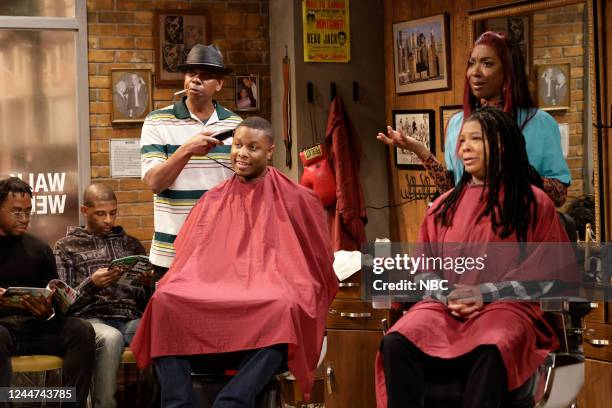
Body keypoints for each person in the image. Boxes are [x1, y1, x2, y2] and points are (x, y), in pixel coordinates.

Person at [375, 108, 579, 408]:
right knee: (397, 340)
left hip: (509, 307)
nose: (465, 147)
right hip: (445, 307)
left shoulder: (534, 204)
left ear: (501, 145)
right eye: (462, 141)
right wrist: (448, 294)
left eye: (476, 139)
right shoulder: (443, 206)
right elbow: (423, 269)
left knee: (492, 346)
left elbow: (547, 276)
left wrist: (484, 294)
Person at [131, 117, 338, 407]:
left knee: (285, 307)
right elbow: (192, 259)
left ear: (270, 151)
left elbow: (316, 261)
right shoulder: (213, 199)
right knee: (164, 301)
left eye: (253, 147)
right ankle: (179, 403)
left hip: (267, 290)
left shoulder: (297, 199)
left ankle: (233, 401)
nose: (242, 153)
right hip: (215, 286)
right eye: (238, 145)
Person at [377, 31, 570, 207]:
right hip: (470, 235)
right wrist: (421, 152)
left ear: (508, 71)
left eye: (487, 63)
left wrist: (518, 171)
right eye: (472, 63)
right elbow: (452, 190)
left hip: (521, 235)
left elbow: (559, 196)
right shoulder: (457, 123)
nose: (474, 72)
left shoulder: (540, 123)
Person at [141, 43, 242, 277]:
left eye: (205, 76)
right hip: (171, 252)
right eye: (191, 73)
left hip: (221, 249)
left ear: (219, 84)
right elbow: (155, 183)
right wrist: (186, 150)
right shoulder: (157, 121)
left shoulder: (235, 124)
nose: (195, 80)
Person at [0, 177, 95, 407]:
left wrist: (48, 311)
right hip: (2, 329)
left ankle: (70, 404)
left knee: (81, 330)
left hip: (34, 326)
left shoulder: (39, 249)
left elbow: (55, 309)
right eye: (16, 212)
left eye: (28, 212)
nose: (24, 218)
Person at [53, 183, 149, 408]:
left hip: (130, 317)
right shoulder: (66, 246)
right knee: (110, 337)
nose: (108, 220)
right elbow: (63, 305)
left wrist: (146, 284)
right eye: (101, 214)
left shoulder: (131, 244)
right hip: (90, 319)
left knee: (158, 332)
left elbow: (145, 302)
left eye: (113, 213)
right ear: (85, 211)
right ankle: (103, 404)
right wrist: (91, 284)